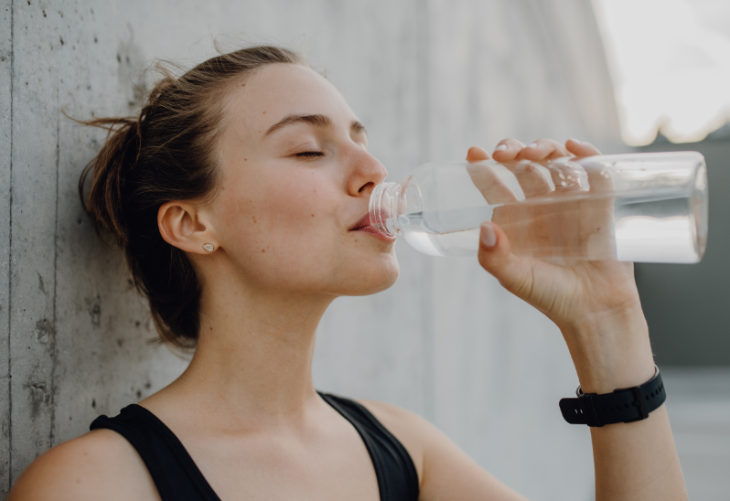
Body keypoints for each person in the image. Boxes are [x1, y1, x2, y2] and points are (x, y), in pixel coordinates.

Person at [7, 46, 687, 501]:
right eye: (309, 150)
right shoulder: (97, 483)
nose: (373, 171)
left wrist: (606, 322)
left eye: (361, 140)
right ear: (193, 225)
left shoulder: (405, 453)